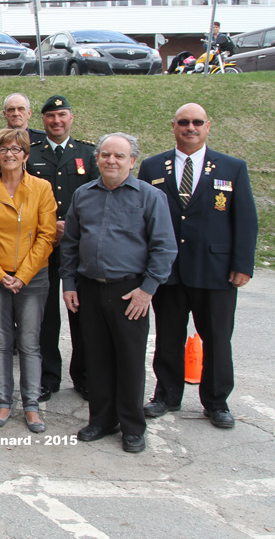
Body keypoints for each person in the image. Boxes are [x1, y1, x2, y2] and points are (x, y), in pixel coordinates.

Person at [140, 104, 257, 429]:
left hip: (215, 271)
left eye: (197, 122)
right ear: (173, 126)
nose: (190, 127)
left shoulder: (231, 168)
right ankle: (166, 395)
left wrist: (242, 264)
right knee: (168, 337)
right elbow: (142, 219)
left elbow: (245, 220)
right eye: (183, 122)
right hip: (169, 271)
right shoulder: (152, 167)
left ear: (208, 126)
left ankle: (217, 402)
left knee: (218, 338)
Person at [61, 133, 177, 453]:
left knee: (129, 361)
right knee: (96, 358)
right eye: (106, 155)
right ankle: (101, 420)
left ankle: (132, 426)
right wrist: (68, 284)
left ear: (132, 162)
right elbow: (70, 244)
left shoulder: (150, 197)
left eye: (119, 156)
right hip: (89, 289)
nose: (111, 160)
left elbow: (164, 248)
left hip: (130, 292)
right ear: (97, 158)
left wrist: (147, 291)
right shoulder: (83, 195)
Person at [0, 129, 56, 432]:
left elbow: (46, 236)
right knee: (1, 342)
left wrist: (22, 276)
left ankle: (31, 406)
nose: (9, 154)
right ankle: (4, 402)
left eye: (16, 149)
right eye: (3, 149)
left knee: (30, 343)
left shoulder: (42, 188)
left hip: (32, 277)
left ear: (26, 155)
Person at [26, 95, 98, 402]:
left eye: (62, 115)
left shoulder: (88, 153)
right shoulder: (32, 153)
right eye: (51, 116)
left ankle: (84, 376)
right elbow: (25, 195)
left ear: (71, 118)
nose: (57, 121)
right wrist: (49, 224)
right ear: (42, 121)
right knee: (45, 316)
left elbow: (98, 198)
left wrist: (72, 226)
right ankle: (47, 377)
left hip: (78, 246)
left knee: (81, 312)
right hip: (42, 244)